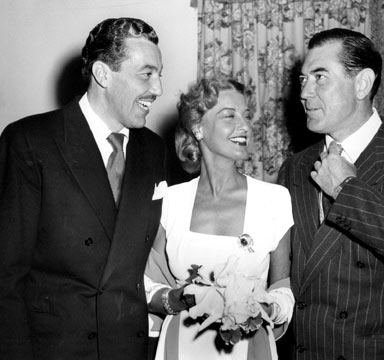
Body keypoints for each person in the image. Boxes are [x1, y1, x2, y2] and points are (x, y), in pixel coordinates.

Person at [0, 17, 167, 360]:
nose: (159, 89)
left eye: (159, 74)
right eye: (146, 74)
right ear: (103, 74)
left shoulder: (154, 150)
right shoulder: (31, 142)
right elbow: (6, 276)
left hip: (128, 348)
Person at [277, 27, 384, 359]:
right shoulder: (295, 167)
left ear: (362, 83)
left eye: (320, 77)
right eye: (303, 80)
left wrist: (346, 188)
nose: (305, 92)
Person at [143, 77, 295, 360]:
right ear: (198, 128)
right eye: (230, 116)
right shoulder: (170, 200)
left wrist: (266, 307)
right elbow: (149, 284)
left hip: (250, 348)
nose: (245, 126)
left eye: (247, 116)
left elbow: (281, 285)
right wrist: (178, 299)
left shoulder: (274, 199)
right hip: (181, 347)